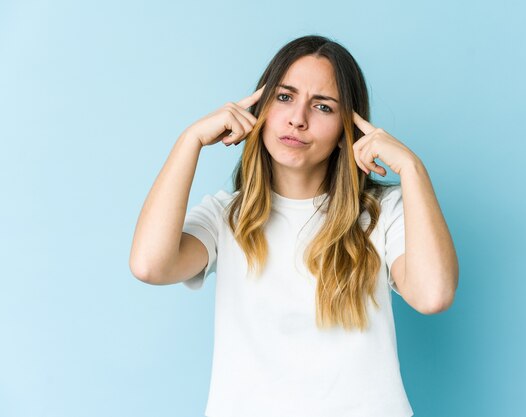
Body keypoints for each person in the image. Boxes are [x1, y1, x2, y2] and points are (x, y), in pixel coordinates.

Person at [129, 34, 458, 417]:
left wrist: (413, 170)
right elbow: (149, 265)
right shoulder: (226, 216)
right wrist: (190, 141)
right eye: (284, 97)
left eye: (323, 106)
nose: (297, 118)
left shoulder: (383, 212)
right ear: (260, 108)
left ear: (345, 132)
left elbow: (433, 295)